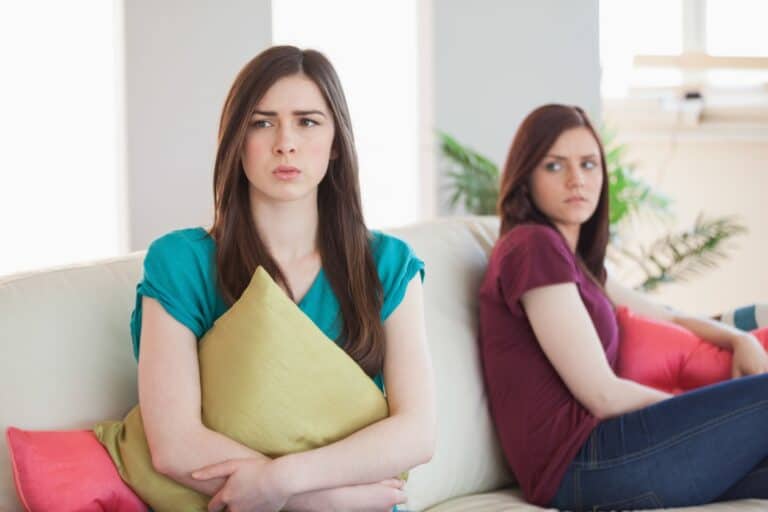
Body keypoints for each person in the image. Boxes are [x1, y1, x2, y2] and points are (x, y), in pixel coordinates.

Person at [132, 45, 435, 512]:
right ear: (236, 141)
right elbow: (174, 444)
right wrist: (320, 500)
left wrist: (284, 479)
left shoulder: (388, 264)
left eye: (308, 121)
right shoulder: (180, 262)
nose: (285, 142)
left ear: (336, 145)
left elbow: (417, 431)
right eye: (262, 122)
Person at [478, 104, 768, 511]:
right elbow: (601, 394)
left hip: (609, 459)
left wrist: (739, 339)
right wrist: (702, 417)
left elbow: (664, 314)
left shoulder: (579, 264)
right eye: (555, 166)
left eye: (589, 164)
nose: (577, 179)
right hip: (583, 464)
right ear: (526, 177)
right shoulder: (533, 248)